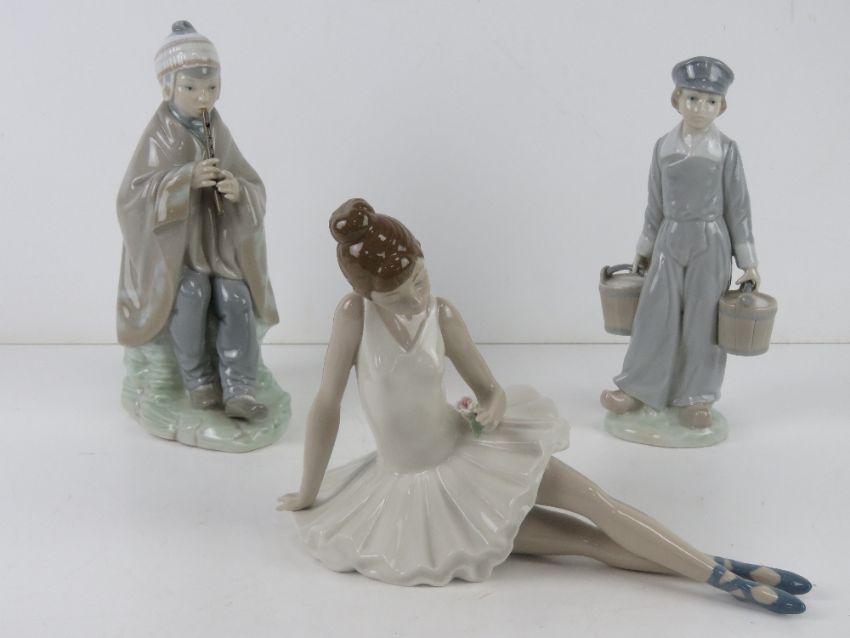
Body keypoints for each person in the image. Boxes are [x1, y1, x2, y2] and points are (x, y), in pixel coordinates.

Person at [278, 198, 808, 614]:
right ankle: (723, 573)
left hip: (478, 457)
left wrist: (491, 406)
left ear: (423, 260)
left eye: (420, 279)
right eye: (397, 295)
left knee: (599, 503)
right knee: (586, 544)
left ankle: (728, 577)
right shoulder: (353, 316)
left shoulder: (442, 314)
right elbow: (326, 404)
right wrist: (308, 490)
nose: (416, 297)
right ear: (368, 295)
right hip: (421, 497)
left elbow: (489, 389)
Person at [116, 21, 277, 420]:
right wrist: (185, 179)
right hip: (177, 254)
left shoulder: (217, 129)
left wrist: (237, 189)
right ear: (168, 87)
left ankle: (239, 387)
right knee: (191, 294)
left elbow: (253, 183)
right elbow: (131, 198)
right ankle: (198, 379)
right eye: (191, 88)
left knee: (235, 297)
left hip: (217, 247)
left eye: (212, 87)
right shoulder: (159, 136)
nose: (203, 97)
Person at [601, 57, 760, 429]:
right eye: (692, 98)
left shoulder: (726, 150)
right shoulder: (663, 147)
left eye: (710, 101)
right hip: (669, 238)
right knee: (654, 313)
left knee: (704, 319)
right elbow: (654, 204)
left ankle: (697, 396)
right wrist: (643, 248)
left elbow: (738, 207)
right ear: (677, 99)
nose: (700, 108)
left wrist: (748, 261)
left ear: (722, 106)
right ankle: (639, 387)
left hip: (711, 240)